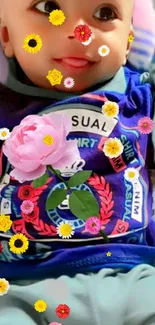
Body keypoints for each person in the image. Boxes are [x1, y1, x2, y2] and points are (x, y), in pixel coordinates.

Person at [0, 0, 155, 324]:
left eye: (104, 14)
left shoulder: (139, 99)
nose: (79, 33)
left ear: (128, 41)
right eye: (48, 8)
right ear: (6, 36)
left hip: (133, 273)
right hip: (19, 284)